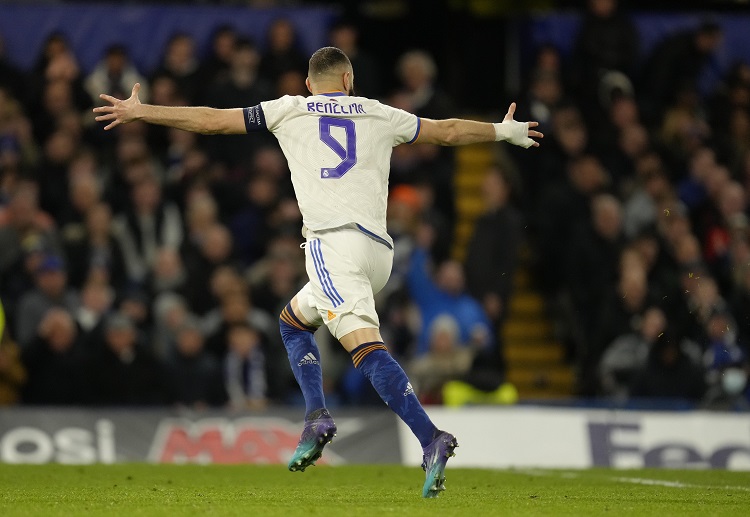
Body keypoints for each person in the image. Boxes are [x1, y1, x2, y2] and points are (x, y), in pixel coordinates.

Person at [93, 46, 542, 498]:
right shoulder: (377, 112)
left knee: (363, 345)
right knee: (292, 322)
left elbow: (211, 119)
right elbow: (446, 131)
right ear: (349, 80)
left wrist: (142, 111)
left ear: (309, 84)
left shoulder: (289, 110)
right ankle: (316, 418)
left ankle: (430, 438)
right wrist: (503, 131)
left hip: (332, 246)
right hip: (378, 253)